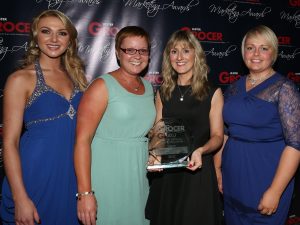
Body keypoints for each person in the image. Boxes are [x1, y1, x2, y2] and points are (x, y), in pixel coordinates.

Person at [0, 9, 87, 225]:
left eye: (62, 33)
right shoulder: (20, 79)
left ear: (70, 40)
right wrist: (20, 197)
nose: (54, 39)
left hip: (71, 179)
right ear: (35, 37)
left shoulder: (79, 79)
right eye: (46, 31)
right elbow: (10, 143)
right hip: (35, 177)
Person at [215, 25, 300, 225]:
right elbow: (225, 132)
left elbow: (295, 144)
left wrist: (275, 191)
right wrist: (218, 170)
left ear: (274, 52)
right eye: (250, 47)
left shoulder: (285, 89)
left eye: (264, 48)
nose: (256, 54)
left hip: (267, 178)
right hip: (233, 178)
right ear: (243, 51)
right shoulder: (234, 88)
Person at [74, 26, 155, 225]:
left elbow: (146, 132)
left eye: (142, 50)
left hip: (138, 177)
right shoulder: (101, 86)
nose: (137, 56)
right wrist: (85, 193)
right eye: (130, 50)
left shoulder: (148, 87)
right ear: (118, 52)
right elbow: (82, 141)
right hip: (107, 177)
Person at [145, 30, 224, 225]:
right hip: (168, 175)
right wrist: (155, 157)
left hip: (197, 172)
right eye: (174, 51)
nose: (179, 57)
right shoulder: (163, 92)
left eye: (186, 51)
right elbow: (159, 129)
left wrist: (201, 150)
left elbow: (217, 136)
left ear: (195, 55)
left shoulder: (212, 92)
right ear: (168, 57)